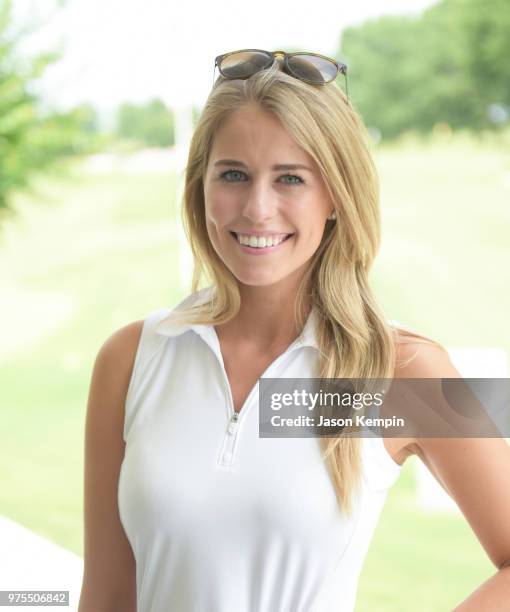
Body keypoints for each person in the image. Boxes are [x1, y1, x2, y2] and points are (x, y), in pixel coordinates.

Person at [78, 49, 510, 612]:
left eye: (291, 179)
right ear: (200, 187)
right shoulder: (133, 358)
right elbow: (107, 596)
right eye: (233, 174)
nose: (258, 209)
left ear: (334, 196)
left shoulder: (398, 372)